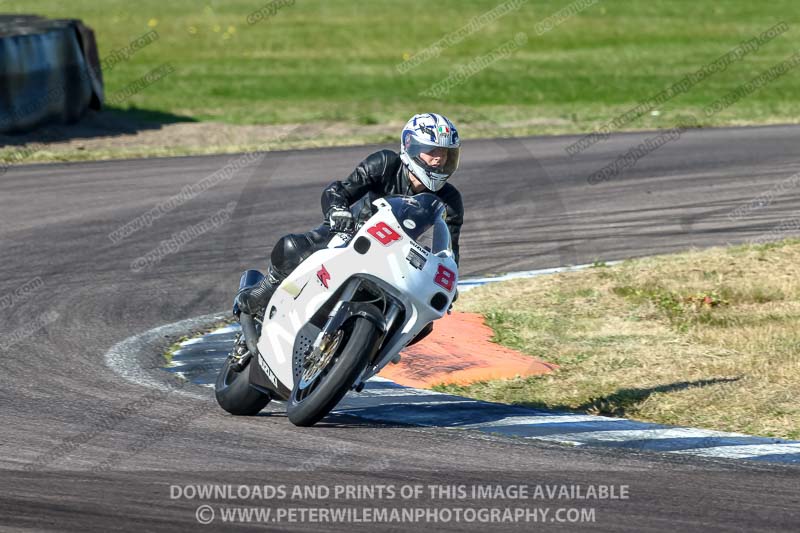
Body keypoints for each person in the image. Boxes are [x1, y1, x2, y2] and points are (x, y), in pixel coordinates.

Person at [235, 112, 463, 316]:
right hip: (352, 234)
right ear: (411, 147)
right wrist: (338, 211)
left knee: (424, 313)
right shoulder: (385, 162)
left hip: (398, 258)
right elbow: (338, 191)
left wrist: (449, 285)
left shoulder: (450, 200)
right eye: (432, 151)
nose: (439, 159)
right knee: (294, 248)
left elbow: (449, 252)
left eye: (445, 154)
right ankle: (261, 295)